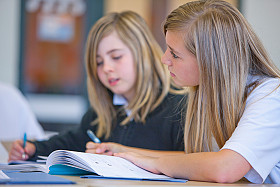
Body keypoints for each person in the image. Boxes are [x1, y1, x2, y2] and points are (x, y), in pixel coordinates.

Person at [114, 0, 280, 184]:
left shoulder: (272, 96)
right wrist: (122, 152)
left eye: (175, 54)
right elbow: (197, 159)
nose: (164, 59)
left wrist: (153, 163)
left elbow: (225, 168)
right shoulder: (208, 94)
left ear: (210, 61)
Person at [8, 11, 185, 162]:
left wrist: (122, 153)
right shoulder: (101, 114)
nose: (106, 68)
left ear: (143, 54)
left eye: (116, 57)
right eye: (99, 62)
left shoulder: (179, 106)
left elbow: (191, 161)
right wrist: (34, 148)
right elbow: (71, 141)